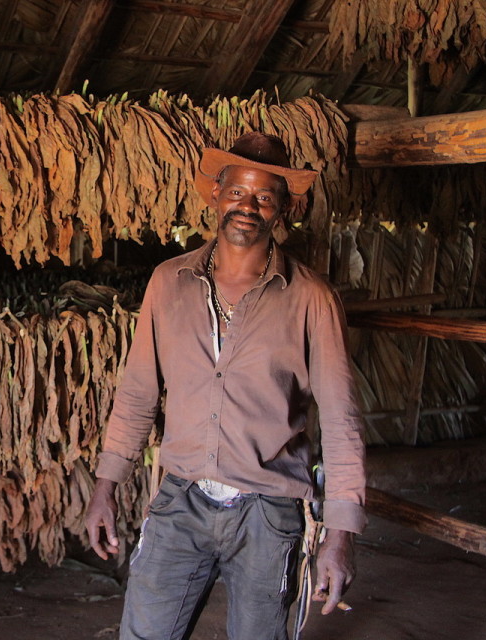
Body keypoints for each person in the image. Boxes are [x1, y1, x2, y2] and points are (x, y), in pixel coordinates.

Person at [84, 132, 366, 640]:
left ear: (282, 209)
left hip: (268, 513)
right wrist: (105, 487)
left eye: (264, 197)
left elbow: (342, 419)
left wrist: (340, 536)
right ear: (216, 194)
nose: (248, 206)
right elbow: (138, 393)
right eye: (238, 192)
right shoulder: (168, 283)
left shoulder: (311, 299)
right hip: (180, 502)